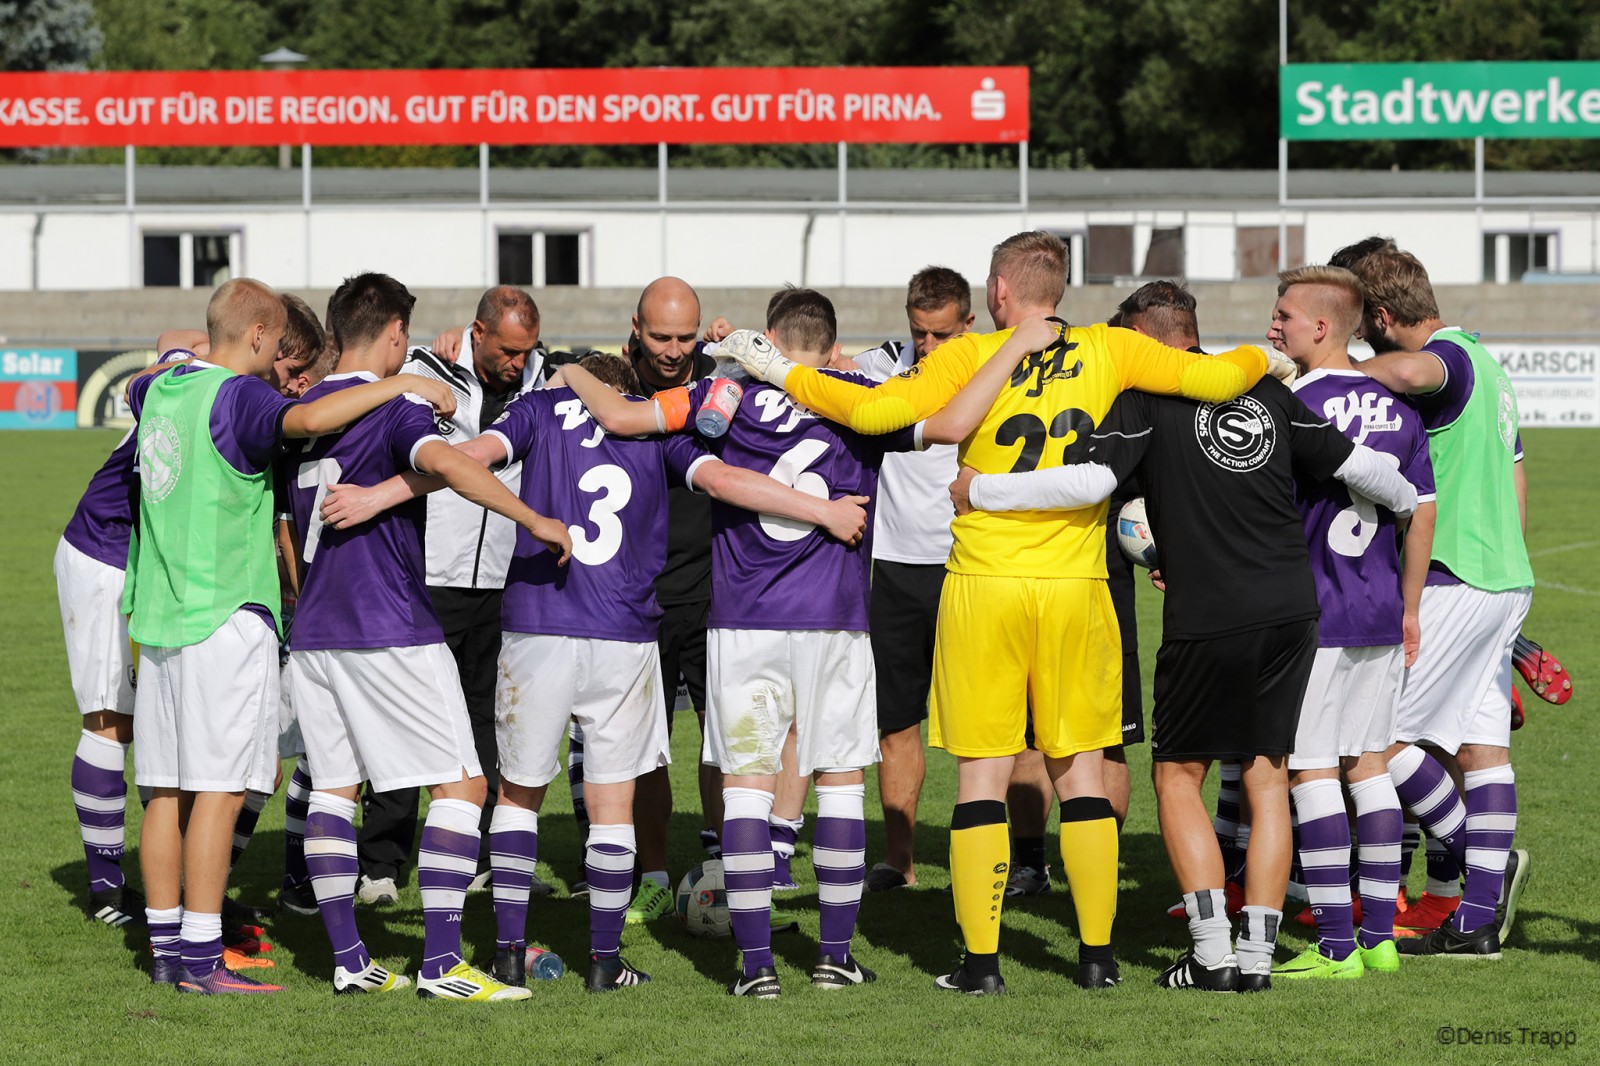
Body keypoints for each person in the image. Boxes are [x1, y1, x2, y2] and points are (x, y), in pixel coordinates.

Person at [718, 230, 1289, 995]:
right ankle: (1096, 958)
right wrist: (1268, 357)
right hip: (1077, 583)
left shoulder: (964, 356)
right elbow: (1215, 379)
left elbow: (873, 409)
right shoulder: (1110, 349)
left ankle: (980, 965)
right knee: (1081, 771)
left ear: (997, 293)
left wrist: (777, 367)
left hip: (984, 579)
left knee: (982, 776)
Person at [948, 331, 1418, 993]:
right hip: (1290, 608)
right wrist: (1408, 503)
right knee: (1267, 774)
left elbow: (1090, 482)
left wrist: (983, 490)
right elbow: (1369, 473)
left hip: (1209, 613)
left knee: (1177, 777)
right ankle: (1256, 960)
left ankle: (1210, 954)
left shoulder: (1146, 399)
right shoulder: (1266, 392)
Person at [561, 289, 899, 998]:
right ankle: (834, 957)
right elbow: (944, 418)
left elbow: (634, 422)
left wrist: (569, 372)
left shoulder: (720, 398)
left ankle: (756, 969)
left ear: (764, 340)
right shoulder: (862, 399)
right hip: (833, 619)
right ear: (832, 351)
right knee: (839, 781)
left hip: (743, 620)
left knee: (744, 788)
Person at [124, 277, 456, 994]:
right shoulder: (240, 397)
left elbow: (148, 375)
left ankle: (163, 948)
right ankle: (204, 959)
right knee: (216, 789)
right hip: (224, 613)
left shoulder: (158, 390)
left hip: (155, 617)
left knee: (162, 792)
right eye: (276, 344)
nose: (282, 361)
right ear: (255, 336)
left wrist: (179, 355)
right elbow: (308, 421)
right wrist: (403, 384)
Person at [281, 272, 571, 1001]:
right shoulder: (397, 403)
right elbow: (445, 462)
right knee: (465, 783)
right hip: (389, 623)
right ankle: (441, 964)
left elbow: (283, 525)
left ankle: (348, 960)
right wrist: (533, 518)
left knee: (336, 788)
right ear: (393, 335)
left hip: (315, 628)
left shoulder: (302, 409)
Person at [1344, 245, 1534, 958]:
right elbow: (1517, 477)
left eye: (1369, 333)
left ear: (1387, 317)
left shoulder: (1447, 361)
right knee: (1484, 751)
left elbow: (1411, 369)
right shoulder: (1490, 365)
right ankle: (1478, 919)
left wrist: (1337, 375)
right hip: (1505, 574)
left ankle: (1466, 846)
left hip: (1452, 571)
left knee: (1374, 736)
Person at [1267, 265, 1436, 980]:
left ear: (1321, 327)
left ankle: (1336, 944)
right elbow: (1420, 509)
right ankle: (1381, 937)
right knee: (1368, 766)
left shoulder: (1292, 404)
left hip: (1315, 612)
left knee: (1310, 769)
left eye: (1282, 316)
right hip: (1375, 608)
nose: (1272, 327)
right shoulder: (1398, 410)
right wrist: (1409, 607)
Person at [356, 286, 545, 905]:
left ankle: (484, 855)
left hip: (501, 578)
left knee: (487, 720)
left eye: (527, 351)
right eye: (509, 351)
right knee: (405, 718)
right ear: (478, 333)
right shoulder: (424, 367)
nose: (519, 364)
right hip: (426, 573)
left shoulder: (546, 376)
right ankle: (382, 862)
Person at [846, 266, 970, 892]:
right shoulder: (877, 365)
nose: (927, 347)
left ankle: (1019, 860)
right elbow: (814, 365)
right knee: (895, 722)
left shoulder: (994, 369)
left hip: (970, 565)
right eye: (919, 332)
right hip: (893, 568)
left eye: (941, 335)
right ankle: (900, 861)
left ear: (969, 325)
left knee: (997, 727)